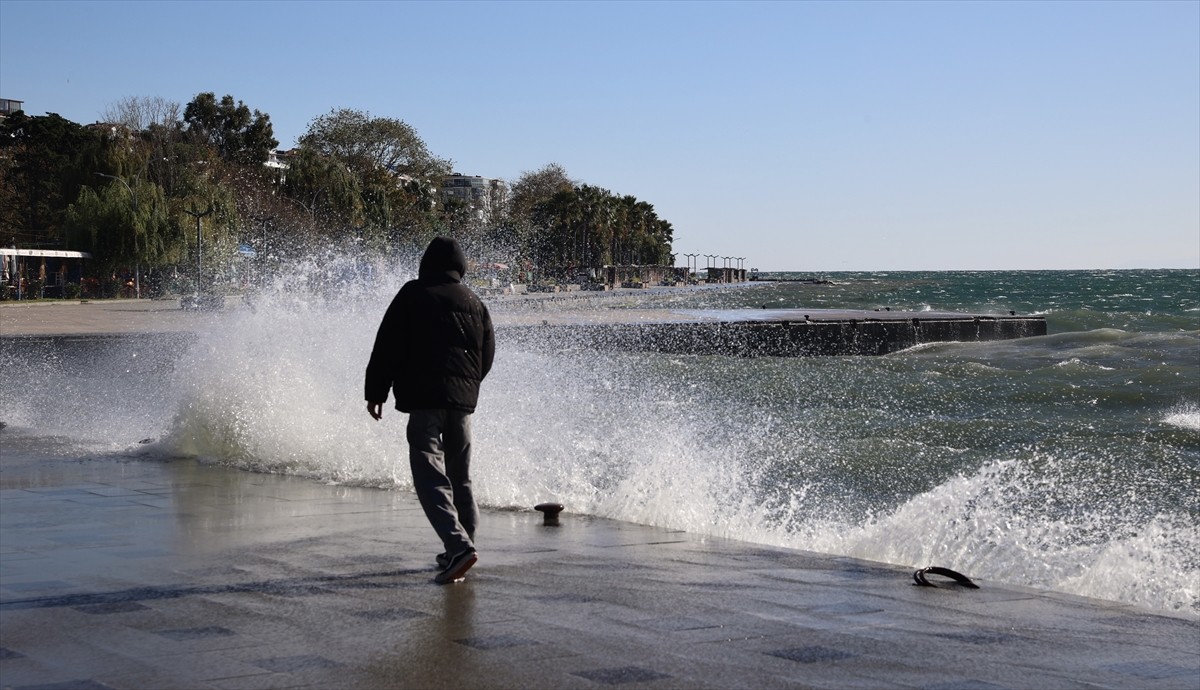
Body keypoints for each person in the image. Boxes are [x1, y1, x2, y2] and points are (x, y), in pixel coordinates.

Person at [365, 237, 495, 584]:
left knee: (429, 473)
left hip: (425, 400)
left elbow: (388, 345)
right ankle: (462, 545)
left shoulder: (413, 293)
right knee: (460, 476)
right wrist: (466, 386)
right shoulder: (475, 301)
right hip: (462, 403)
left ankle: (458, 546)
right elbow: (487, 356)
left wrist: (375, 391)